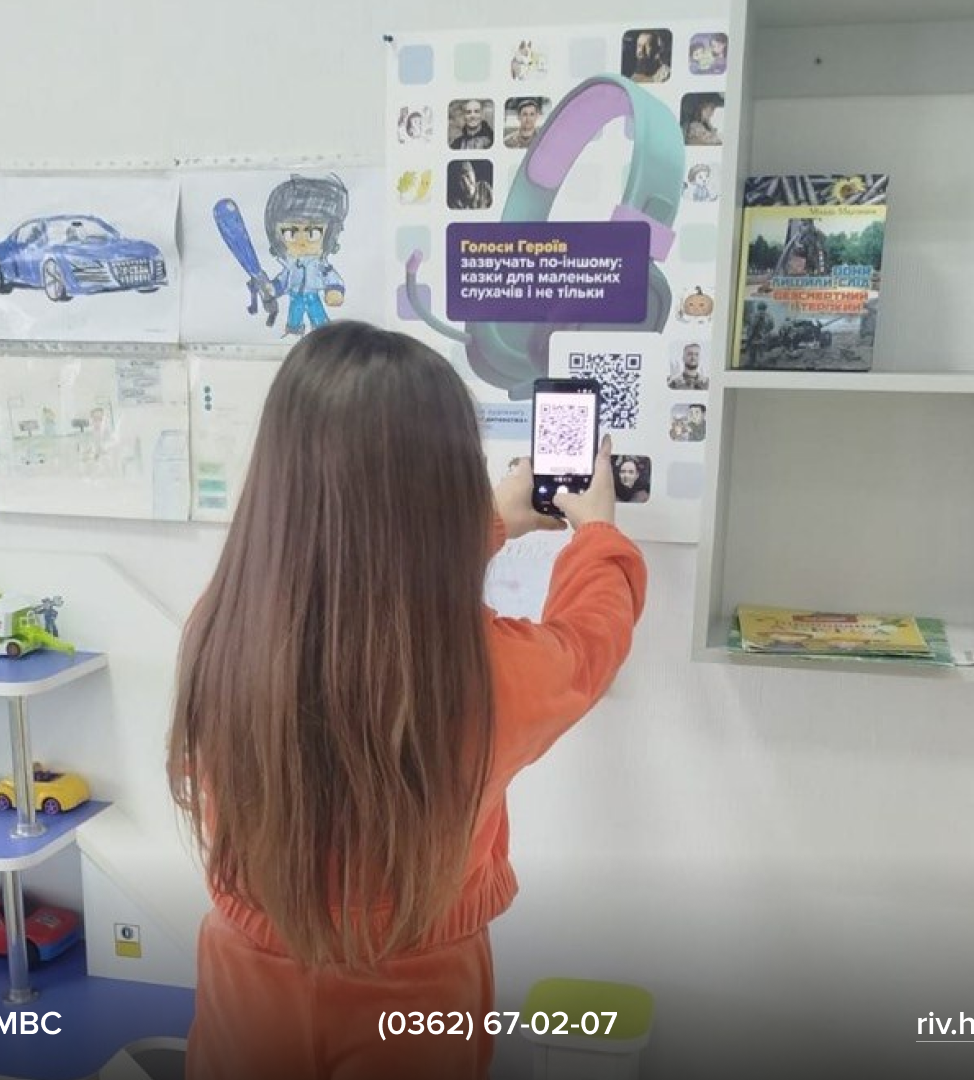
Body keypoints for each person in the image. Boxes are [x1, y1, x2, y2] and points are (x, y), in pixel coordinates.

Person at [168, 322, 646, 1080]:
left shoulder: (223, 629)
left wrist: (494, 522)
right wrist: (595, 532)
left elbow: (353, 580)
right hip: (416, 1002)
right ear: (444, 492)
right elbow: (588, 643)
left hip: (245, 988)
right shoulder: (487, 676)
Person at [264, 174, 349, 337]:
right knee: (294, 313)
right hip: (295, 294)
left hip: (312, 295)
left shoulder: (319, 264)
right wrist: (273, 289)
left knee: (317, 312)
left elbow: (330, 276)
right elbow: (283, 280)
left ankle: (322, 332)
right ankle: (293, 330)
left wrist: (334, 290)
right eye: (290, 233)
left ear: (329, 234)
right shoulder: (290, 264)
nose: (301, 242)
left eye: (312, 233)